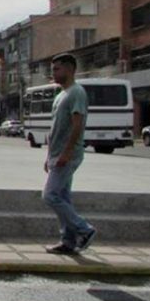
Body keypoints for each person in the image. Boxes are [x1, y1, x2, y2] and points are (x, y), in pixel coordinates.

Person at [42, 54, 96, 255]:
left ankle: (85, 229)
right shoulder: (60, 95)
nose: (54, 73)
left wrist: (67, 152)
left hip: (68, 154)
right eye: (53, 69)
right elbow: (55, 128)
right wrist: (49, 156)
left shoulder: (76, 93)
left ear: (70, 69)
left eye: (57, 69)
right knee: (63, 196)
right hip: (57, 154)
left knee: (50, 195)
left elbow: (77, 125)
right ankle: (68, 241)